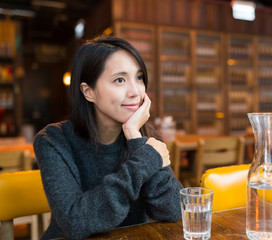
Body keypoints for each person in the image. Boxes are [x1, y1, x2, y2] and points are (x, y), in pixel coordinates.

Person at [33, 35, 182, 240]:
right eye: (119, 80)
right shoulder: (53, 141)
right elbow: (75, 223)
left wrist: (134, 137)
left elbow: (173, 210)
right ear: (88, 92)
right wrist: (144, 160)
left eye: (139, 78)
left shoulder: (145, 137)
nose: (135, 92)